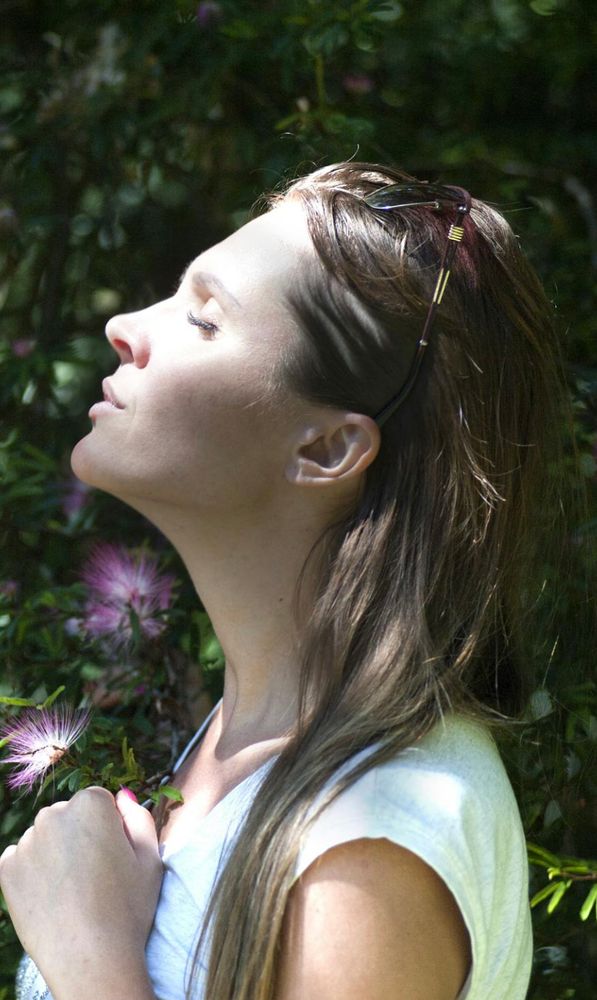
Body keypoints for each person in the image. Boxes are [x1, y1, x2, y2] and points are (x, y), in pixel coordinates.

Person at [0, 161, 566, 1000]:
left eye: (203, 318)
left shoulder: (373, 843)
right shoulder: (249, 743)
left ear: (326, 450)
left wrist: (88, 958)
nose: (123, 324)